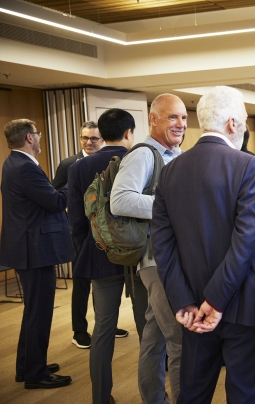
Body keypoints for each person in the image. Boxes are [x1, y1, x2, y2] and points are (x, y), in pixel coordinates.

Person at [151, 86, 255, 403]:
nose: (244, 126)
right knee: (243, 392)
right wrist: (216, 301)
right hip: (243, 302)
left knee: (194, 391)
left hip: (191, 305)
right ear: (233, 123)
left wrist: (185, 302)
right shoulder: (246, 165)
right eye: (244, 120)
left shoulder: (170, 171)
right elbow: (245, 240)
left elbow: (163, 246)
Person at [110, 94, 186, 404]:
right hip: (156, 260)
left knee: (154, 338)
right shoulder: (143, 155)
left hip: (170, 257)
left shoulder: (176, 154)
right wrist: (169, 206)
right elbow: (120, 199)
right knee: (179, 340)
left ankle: (153, 399)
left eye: (183, 117)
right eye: (172, 117)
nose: (180, 123)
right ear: (153, 119)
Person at [67, 109, 143, 404]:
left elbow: (75, 219)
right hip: (140, 256)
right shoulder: (141, 160)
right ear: (129, 133)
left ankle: (101, 397)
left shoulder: (79, 168)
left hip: (100, 254)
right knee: (148, 328)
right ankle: (153, 392)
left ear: (102, 132)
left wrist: (89, 245)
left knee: (103, 328)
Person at [1, 119, 74, 389]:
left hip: (27, 247)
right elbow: (56, 202)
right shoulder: (23, 167)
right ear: (30, 138)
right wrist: (72, 179)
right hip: (34, 250)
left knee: (34, 310)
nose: (40, 138)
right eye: (38, 134)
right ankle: (36, 373)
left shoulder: (14, 163)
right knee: (39, 312)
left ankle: (27, 365)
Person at [53, 121, 129, 349]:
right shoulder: (69, 165)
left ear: (102, 139)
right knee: (82, 284)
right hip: (83, 236)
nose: (89, 142)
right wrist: (79, 239)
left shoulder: (116, 161)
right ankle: (79, 330)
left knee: (104, 284)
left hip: (110, 236)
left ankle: (106, 323)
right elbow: (57, 193)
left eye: (94, 138)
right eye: (84, 138)